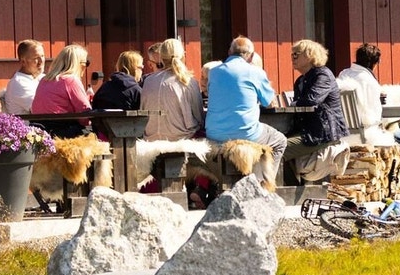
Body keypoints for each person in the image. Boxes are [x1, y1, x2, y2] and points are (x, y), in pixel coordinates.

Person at [204, 36, 286, 178]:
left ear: (229, 52)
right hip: (246, 133)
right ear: (251, 56)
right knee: (280, 141)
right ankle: (264, 184)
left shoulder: (214, 72)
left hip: (214, 133)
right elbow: (268, 102)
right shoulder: (256, 72)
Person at [289, 39, 348, 180]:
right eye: (292, 54)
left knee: (279, 148)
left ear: (309, 55)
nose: (292, 58)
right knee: (276, 143)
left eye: (296, 54)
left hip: (323, 133)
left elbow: (311, 100)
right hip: (308, 130)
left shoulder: (323, 75)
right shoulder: (300, 81)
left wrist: (293, 104)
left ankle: (293, 190)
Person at [140, 37, 205, 140]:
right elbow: (199, 117)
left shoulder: (148, 81)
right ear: (183, 56)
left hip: (150, 138)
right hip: (182, 137)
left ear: (161, 57)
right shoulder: (189, 81)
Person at [336, 42, 386, 134]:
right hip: (366, 132)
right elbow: (375, 114)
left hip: (342, 131)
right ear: (374, 63)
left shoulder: (343, 74)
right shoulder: (369, 80)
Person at [33, 44, 94, 114]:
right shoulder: (70, 80)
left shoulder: (44, 80)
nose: (86, 66)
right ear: (78, 64)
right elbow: (85, 112)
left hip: (39, 123)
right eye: (86, 63)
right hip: (62, 124)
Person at [0, 39, 45, 115]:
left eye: (42, 56)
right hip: (29, 126)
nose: (41, 61)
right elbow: (42, 108)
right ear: (23, 61)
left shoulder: (41, 77)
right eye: (36, 58)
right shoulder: (19, 83)